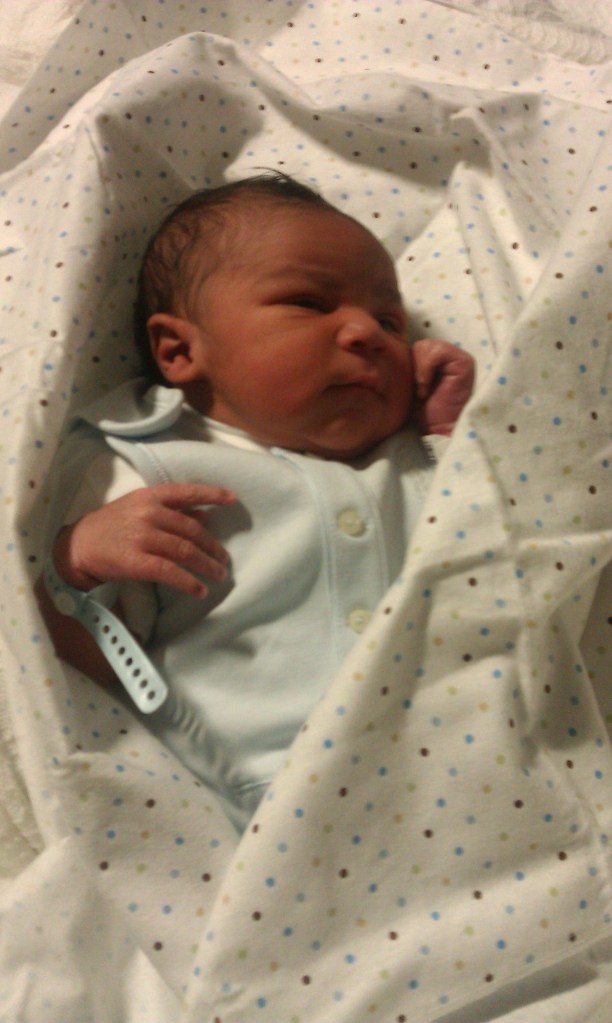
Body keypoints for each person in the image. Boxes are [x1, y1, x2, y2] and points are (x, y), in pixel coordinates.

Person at [37, 173, 475, 831]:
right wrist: (78, 562)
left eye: (390, 321)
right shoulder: (155, 467)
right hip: (241, 797)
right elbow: (74, 669)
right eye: (308, 302)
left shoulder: (411, 461)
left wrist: (450, 432)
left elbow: (494, 546)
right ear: (180, 349)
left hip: (460, 775)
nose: (367, 331)